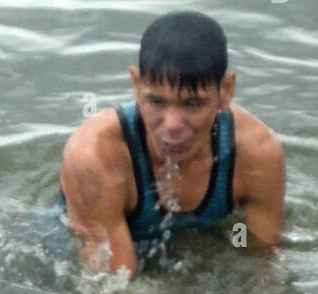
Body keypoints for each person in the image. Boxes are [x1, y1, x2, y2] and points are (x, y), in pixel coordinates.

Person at [57, 11, 286, 274]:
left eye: (192, 103)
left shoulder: (257, 153)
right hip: (65, 247)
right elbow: (115, 289)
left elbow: (261, 262)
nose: (172, 126)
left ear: (225, 91)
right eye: (156, 101)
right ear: (136, 85)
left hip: (201, 242)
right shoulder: (95, 155)